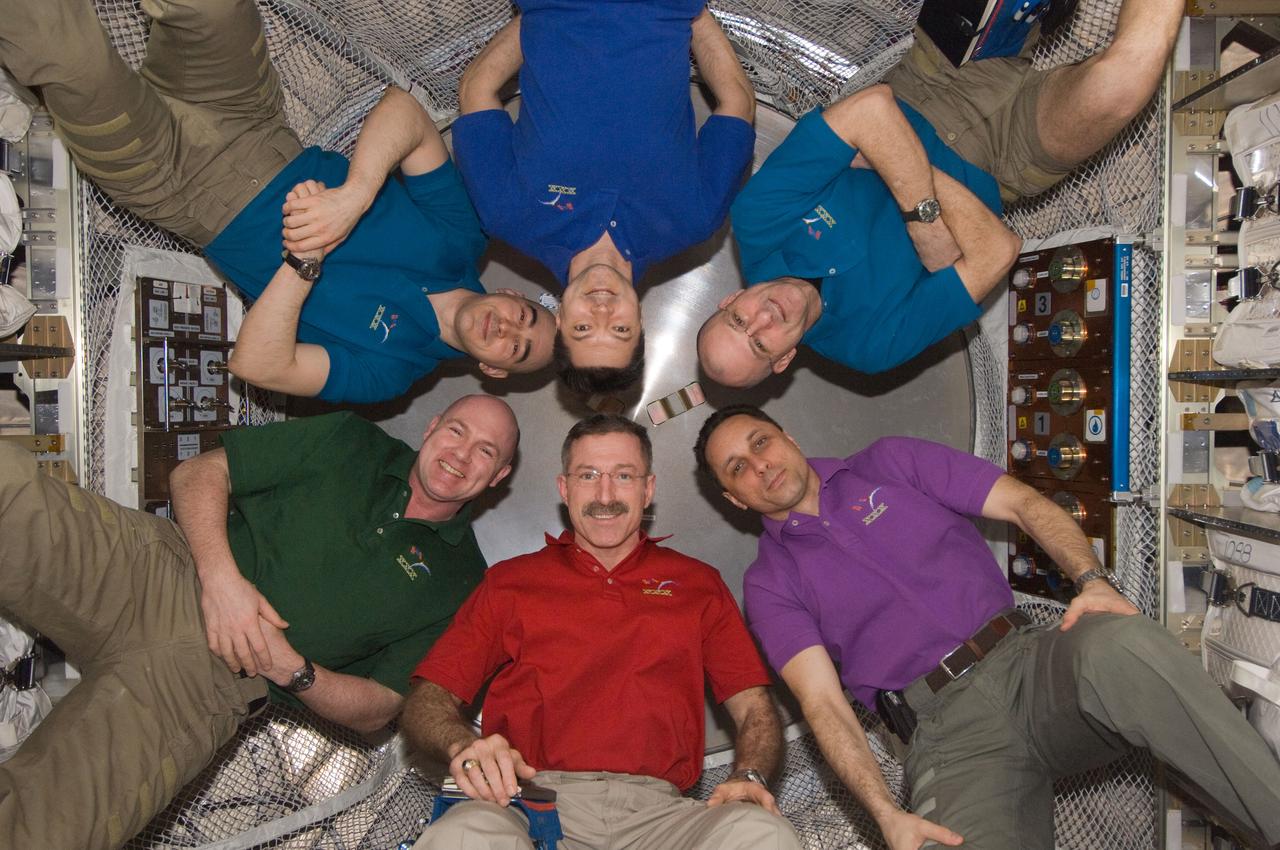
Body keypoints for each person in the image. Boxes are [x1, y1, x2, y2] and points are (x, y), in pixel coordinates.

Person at [695, 405, 1280, 850]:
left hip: (1032, 668)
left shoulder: (890, 462)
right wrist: (884, 813)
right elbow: (823, 705)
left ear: (789, 438)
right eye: (739, 468)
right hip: (947, 736)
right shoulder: (769, 584)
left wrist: (1092, 580)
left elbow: (1026, 504)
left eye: (761, 442)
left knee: (1125, 641)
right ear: (734, 500)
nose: (762, 466)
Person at [0, 394, 520, 849]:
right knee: (12, 493)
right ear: (432, 428)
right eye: (457, 430)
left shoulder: (464, 583)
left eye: (485, 451)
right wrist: (223, 583)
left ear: (496, 478)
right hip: (156, 574)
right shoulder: (349, 439)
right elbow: (199, 473)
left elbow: (379, 709)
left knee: (50, 828)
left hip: (210, 685)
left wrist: (292, 668)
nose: (460, 454)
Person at [0, 0, 556, 405]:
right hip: (253, 118)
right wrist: (354, 197)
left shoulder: (390, 372)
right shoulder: (464, 237)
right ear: (513, 294)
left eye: (517, 349)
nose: (508, 331)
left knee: (72, 58)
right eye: (525, 318)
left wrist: (305, 257)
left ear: (492, 370)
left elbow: (257, 365)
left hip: (177, 186)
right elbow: (406, 112)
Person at [698, 0, 1184, 387]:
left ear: (731, 299)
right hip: (1006, 160)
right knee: (1122, 82)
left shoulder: (755, 218)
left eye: (740, 321)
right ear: (783, 361)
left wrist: (924, 217)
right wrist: (886, 156)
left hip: (938, 76)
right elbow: (999, 251)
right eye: (761, 345)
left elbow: (873, 107)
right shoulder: (869, 347)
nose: (763, 320)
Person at [403, 414, 800, 850]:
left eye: (623, 476)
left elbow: (754, 708)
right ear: (564, 489)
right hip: (529, 806)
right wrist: (463, 744)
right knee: (461, 836)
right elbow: (429, 696)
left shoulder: (698, 583)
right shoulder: (508, 582)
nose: (605, 495)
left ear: (647, 489)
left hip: (664, 817)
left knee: (761, 833)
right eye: (588, 475)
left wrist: (749, 774)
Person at [455, 1, 756, 394]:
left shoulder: (506, 215)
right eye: (619, 328)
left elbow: (475, 91)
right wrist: (692, 15)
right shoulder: (694, 220)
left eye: (582, 328)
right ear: (641, 321)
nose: (601, 310)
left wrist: (537, 19)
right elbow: (737, 103)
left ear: (559, 321)